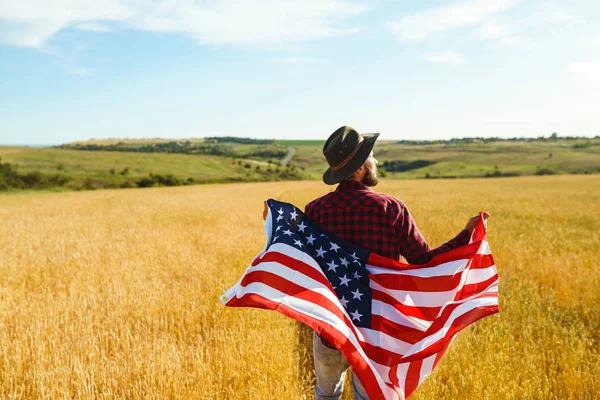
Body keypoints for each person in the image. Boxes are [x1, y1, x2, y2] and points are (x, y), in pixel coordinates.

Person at [303, 126, 489, 400]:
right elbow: (425, 262)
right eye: (371, 157)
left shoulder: (314, 210)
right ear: (358, 169)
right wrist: (466, 235)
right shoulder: (391, 209)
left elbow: (301, 262)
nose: (375, 161)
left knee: (325, 396)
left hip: (331, 328)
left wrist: (272, 220)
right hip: (378, 335)